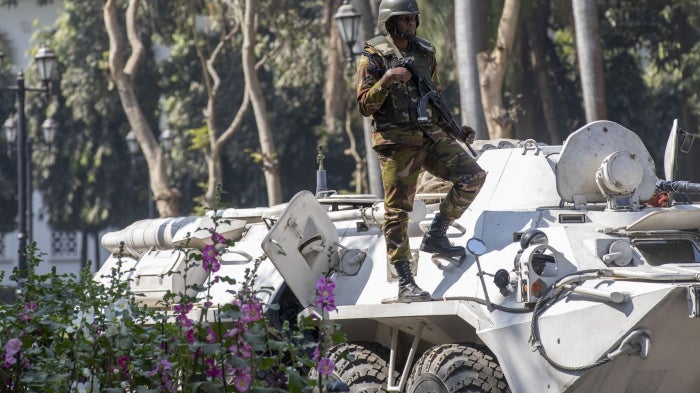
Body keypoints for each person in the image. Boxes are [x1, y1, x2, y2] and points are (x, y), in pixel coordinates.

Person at [356, 0, 486, 303]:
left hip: (428, 136)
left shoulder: (425, 53)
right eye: (405, 19)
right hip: (396, 142)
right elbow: (365, 106)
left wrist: (457, 131)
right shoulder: (372, 57)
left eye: (414, 18)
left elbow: (434, 98)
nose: (412, 23)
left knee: (472, 176)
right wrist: (387, 80)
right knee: (398, 212)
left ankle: (437, 235)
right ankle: (405, 282)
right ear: (390, 23)